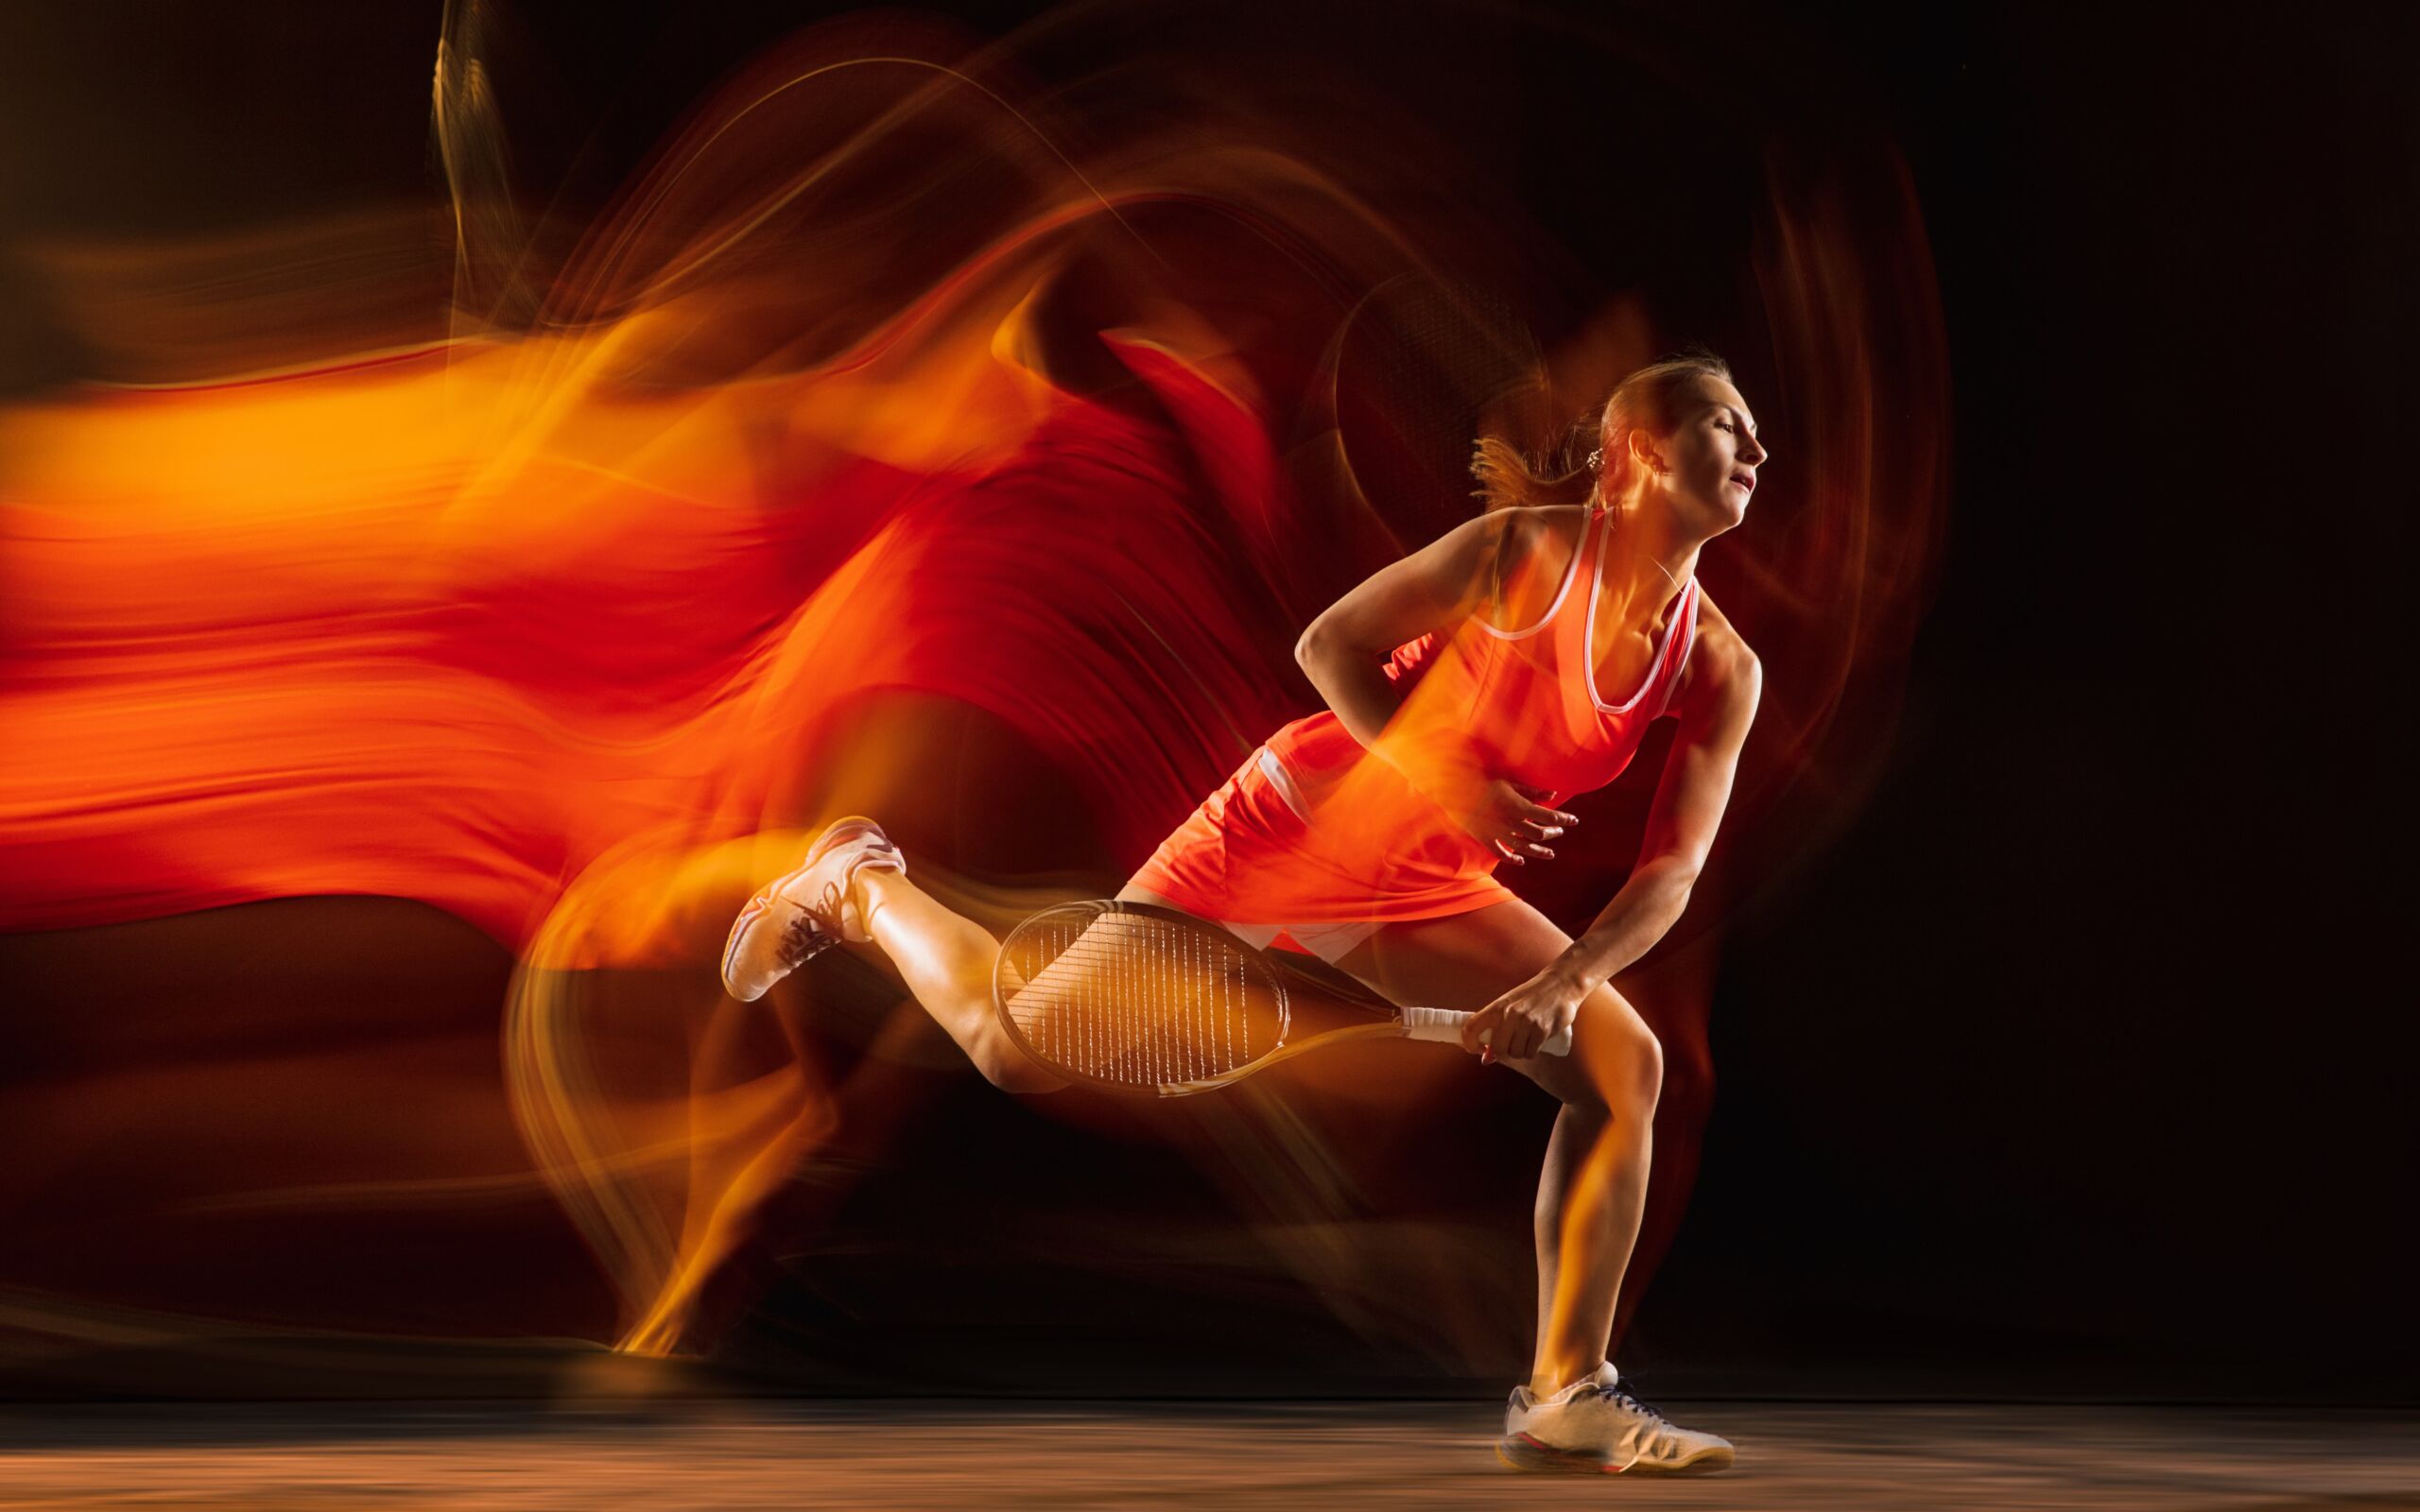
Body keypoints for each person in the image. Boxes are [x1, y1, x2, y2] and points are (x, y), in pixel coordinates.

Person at [720, 352, 1766, 1475]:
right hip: (1287, 829)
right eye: (1725, 423)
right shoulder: (1526, 550)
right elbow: (1331, 646)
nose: (1756, 451)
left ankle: (1565, 1393)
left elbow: (1670, 873)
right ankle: (858, 883)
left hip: (1420, 888)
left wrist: (1560, 985)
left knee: (1622, 1064)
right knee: (1014, 1046)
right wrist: (1456, 786)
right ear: (1637, 454)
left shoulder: (1716, 666)